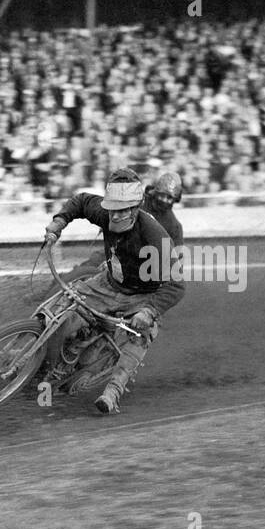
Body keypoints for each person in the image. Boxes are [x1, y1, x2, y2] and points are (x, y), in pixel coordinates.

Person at [41, 166, 184, 414]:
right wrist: (59, 221)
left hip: (142, 294)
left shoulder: (159, 234)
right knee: (68, 298)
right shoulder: (105, 213)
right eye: (112, 209)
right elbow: (82, 200)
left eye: (122, 211)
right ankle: (34, 350)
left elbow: (177, 283)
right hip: (111, 278)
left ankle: (113, 391)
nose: (115, 217)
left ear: (135, 208)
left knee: (140, 335)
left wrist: (149, 311)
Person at [143, 170, 184, 245]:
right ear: (155, 192)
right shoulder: (138, 203)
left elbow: (176, 254)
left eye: (169, 197)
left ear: (175, 200)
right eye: (162, 195)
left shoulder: (174, 227)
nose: (164, 200)